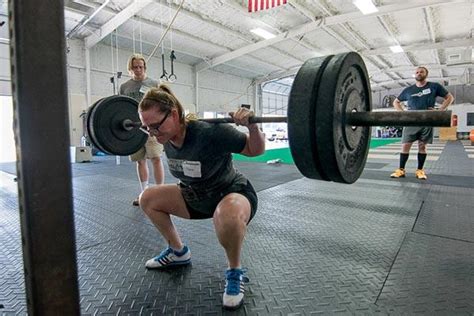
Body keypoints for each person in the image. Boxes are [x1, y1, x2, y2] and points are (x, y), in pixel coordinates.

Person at [137, 84, 265, 310]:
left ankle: (235, 272)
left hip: (231, 192)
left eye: (156, 126)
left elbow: (254, 150)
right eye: (147, 129)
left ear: (174, 114)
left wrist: (252, 127)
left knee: (227, 215)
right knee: (148, 197)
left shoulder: (209, 132)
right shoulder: (164, 137)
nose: (153, 134)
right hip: (194, 196)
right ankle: (178, 253)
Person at [390, 66, 454, 180]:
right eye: (417, 72)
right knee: (405, 146)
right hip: (411, 121)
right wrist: (403, 113)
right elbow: (396, 102)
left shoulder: (434, 86)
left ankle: (420, 170)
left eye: (421, 72)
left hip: (427, 121)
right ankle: (401, 170)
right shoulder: (409, 90)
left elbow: (449, 97)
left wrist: (440, 110)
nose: (419, 73)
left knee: (422, 146)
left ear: (426, 74)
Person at [119, 54, 165, 206]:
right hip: (133, 129)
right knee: (140, 161)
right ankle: (144, 193)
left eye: (141, 67)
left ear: (144, 68)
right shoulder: (124, 87)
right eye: (135, 67)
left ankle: (160, 193)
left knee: (156, 159)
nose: (138, 70)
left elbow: (162, 104)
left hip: (152, 127)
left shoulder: (154, 83)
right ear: (130, 69)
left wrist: (159, 125)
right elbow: (120, 108)